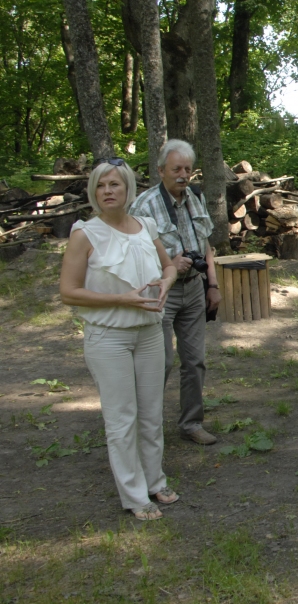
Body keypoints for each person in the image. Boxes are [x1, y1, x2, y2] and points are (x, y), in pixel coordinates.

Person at [59, 159, 179, 520]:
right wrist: (120, 299)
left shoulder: (146, 226)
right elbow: (68, 292)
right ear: (93, 192)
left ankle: (155, 481)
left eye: (114, 184)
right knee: (122, 418)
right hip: (108, 337)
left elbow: (170, 265)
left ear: (128, 189)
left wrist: (167, 280)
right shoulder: (85, 234)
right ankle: (134, 496)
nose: (107, 191)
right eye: (100, 186)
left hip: (149, 334)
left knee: (151, 412)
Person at [130, 140, 221, 445]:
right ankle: (148, 426)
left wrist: (213, 284)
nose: (183, 175)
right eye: (176, 169)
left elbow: (206, 246)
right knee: (160, 362)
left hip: (194, 289)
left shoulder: (195, 197)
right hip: (162, 292)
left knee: (194, 361)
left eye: (187, 169)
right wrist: (170, 264)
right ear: (160, 171)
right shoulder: (144, 206)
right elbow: (135, 255)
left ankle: (192, 423)